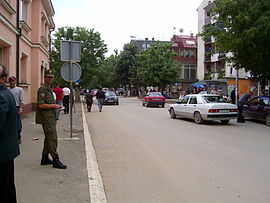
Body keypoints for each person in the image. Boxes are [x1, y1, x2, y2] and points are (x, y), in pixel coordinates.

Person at [36, 69, 67, 169]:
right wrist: (54, 106)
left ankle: (44, 158)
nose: (50, 79)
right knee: (53, 138)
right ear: (44, 78)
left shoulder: (49, 89)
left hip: (51, 117)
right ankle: (55, 159)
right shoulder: (43, 89)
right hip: (46, 118)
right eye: (48, 77)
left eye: (51, 77)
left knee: (48, 138)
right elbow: (41, 105)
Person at [0, 65, 20, 203]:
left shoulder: (2, 97)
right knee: (7, 187)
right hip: (6, 150)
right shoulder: (7, 94)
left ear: (2, 79)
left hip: (2, 151)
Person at [8, 76, 24, 144]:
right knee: (9, 124)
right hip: (8, 108)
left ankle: (18, 137)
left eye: (13, 80)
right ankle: (10, 138)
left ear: (15, 81)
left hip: (16, 108)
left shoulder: (19, 89)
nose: (11, 82)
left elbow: (22, 100)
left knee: (18, 125)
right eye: (10, 81)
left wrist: (20, 108)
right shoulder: (7, 90)